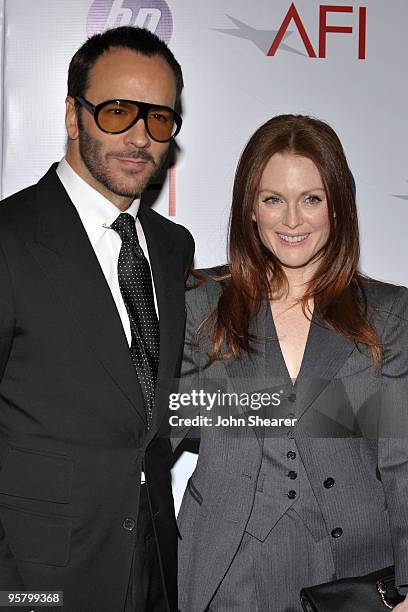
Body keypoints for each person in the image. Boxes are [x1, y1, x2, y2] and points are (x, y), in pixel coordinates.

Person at [175, 115, 408, 611]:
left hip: (350, 578)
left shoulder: (388, 316)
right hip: (228, 574)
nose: (292, 220)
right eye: (273, 199)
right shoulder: (201, 304)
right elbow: (156, 428)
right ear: (251, 211)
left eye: (312, 199)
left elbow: (403, 461)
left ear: (338, 208)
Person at [0, 26, 194, 612]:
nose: (140, 136)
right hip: (35, 574)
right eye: (116, 111)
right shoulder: (10, 239)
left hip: (156, 566)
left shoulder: (171, 246)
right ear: (72, 115)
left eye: (159, 118)